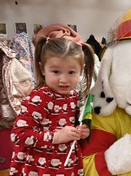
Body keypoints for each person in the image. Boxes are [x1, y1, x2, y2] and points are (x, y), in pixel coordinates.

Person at [9, 24, 96, 176]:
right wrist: (56, 137)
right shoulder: (39, 97)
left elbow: (67, 127)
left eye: (71, 72)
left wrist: (79, 132)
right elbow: (18, 135)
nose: (63, 79)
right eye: (56, 71)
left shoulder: (73, 96)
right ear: (43, 69)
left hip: (67, 165)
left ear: (81, 70)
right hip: (39, 168)